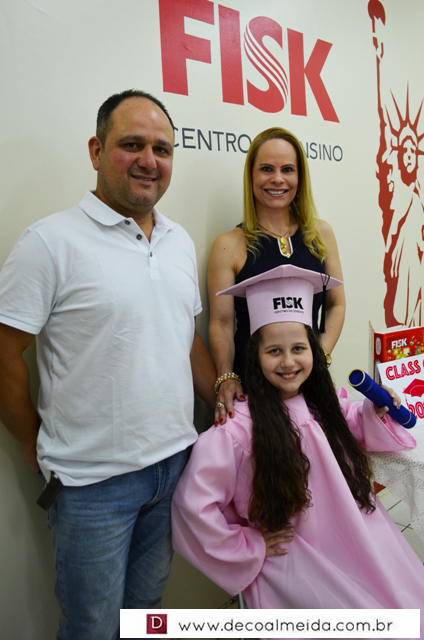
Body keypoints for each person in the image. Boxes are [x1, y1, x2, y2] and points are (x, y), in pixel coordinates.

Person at [0, 89, 215, 640]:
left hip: (173, 467)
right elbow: (3, 353)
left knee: (146, 615)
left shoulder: (178, 240)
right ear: (97, 151)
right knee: (92, 628)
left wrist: (224, 398)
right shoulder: (49, 242)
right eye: (132, 145)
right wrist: (30, 439)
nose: (149, 160)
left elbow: (185, 337)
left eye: (162, 149)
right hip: (92, 485)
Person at [172, 265, 424, 638]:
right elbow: (191, 507)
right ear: (256, 355)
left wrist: (377, 409)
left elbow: (353, 423)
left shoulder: (322, 403)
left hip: (358, 539)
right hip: (299, 560)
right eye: (274, 351)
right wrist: (249, 546)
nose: (289, 362)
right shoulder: (238, 430)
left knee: (402, 606)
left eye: (299, 349)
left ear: (314, 352)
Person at [208, 127, 345, 425]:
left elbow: (336, 304)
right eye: (267, 169)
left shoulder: (321, 234)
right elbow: (221, 322)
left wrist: (316, 360)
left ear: (300, 177)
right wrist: (226, 376)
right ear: (251, 176)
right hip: (251, 391)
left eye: (287, 170)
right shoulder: (229, 245)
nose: (278, 179)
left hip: (310, 385)